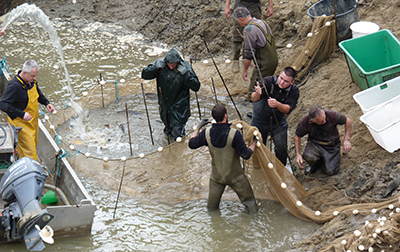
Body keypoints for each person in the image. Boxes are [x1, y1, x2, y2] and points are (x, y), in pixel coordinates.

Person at [188, 103, 258, 214]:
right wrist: (254, 143)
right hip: (236, 178)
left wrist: (197, 128)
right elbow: (246, 155)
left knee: (211, 209)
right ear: (225, 116)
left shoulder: (206, 133)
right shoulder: (234, 134)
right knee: (251, 206)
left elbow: (191, 144)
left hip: (216, 179)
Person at [0, 60, 56, 161]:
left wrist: (47, 103)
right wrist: (21, 114)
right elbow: (3, 104)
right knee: (29, 152)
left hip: (33, 122)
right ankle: (31, 171)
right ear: (25, 73)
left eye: (36, 76)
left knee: (33, 146)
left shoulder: (31, 81)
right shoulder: (14, 86)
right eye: (33, 76)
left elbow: (38, 93)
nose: (35, 79)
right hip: (21, 125)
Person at [141, 48, 201, 140]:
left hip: (179, 107)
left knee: (177, 133)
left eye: (173, 65)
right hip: (165, 105)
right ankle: (170, 147)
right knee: (168, 130)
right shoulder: (160, 64)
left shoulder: (185, 67)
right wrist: (154, 68)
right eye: (169, 65)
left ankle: (179, 150)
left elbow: (196, 87)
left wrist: (186, 75)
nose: (171, 67)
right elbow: (144, 75)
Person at [251, 67, 299, 166]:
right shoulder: (268, 81)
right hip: (260, 120)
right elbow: (253, 98)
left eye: (286, 81)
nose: (281, 82)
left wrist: (277, 104)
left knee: (281, 148)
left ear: (292, 82)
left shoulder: (294, 91)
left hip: (279, 122)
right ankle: (257, 168)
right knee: (258, 147)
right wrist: (257, 93)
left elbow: (288, 109)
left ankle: (280, 171)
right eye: (281, 78)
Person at [232, 6, 278, 99]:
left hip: (264, 64)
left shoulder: (248, 29)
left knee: (253, 90)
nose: (240, 25)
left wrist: (245, 70)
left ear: (241, 19)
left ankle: (251, 107)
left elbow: (249, 54)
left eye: (239, 22)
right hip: (273, 60)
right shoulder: (262, 22)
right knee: (265, 86)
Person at [294, 105, 352, 176]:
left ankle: (325, 161)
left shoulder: (332, 115)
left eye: (324, 118)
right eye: (321, 121)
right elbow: (297, 137)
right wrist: (297, 154)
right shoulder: (304, 122)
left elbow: (348, 121)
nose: (324, 121)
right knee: (309, 157)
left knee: (331, 171)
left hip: (331, 145)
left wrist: (346, 139)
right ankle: (314, 164)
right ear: (312, 121)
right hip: (315, 144)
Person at [224, 0, 274, 73]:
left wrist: (270, 5)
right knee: (237, 33)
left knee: (253, 31)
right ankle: (235, 60)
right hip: (241, 3)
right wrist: (227, 6)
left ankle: (246, 58)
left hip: (254, 4)